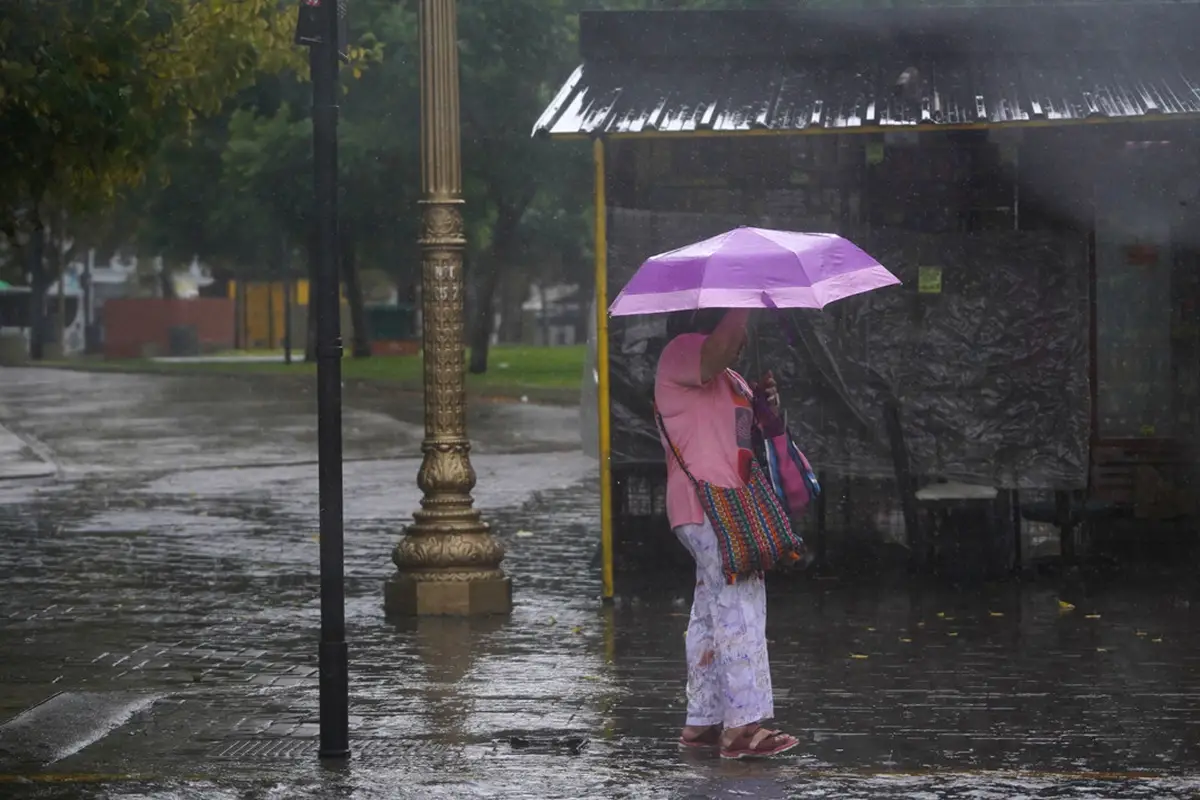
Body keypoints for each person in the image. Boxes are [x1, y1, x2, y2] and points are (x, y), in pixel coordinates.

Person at [654, 306, 800, 760]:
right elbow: (717, 347)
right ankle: (743, 726)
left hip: (726, 508)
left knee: (710, 609)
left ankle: (703, 720)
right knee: (740, 605)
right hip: (707, 507)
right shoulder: (679, 354)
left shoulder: (731, 379)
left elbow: (740, 442)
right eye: (737, 328)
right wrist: (745, 298)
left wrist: (764, 410)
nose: (742, 337)